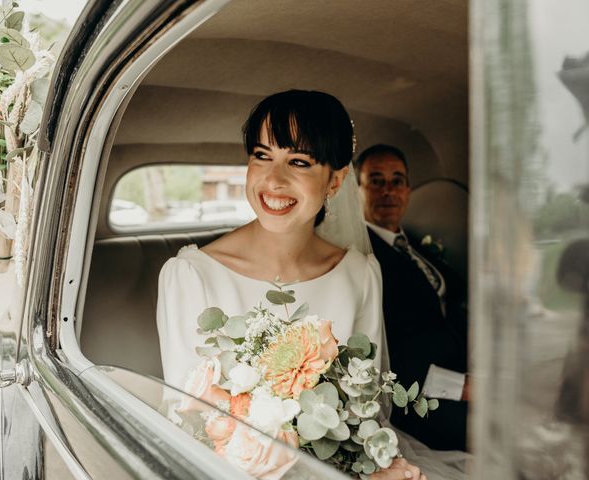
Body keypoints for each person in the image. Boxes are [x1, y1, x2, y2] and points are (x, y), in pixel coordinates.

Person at [157, 90, 431, 480]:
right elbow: (184, 425)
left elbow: (370, 409)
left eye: (299, 162)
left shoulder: (361, 274)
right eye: (262, 155)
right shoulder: (191, 277)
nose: (274, 179)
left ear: (335, 181)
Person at [355, 144, 469, 452]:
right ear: (358, 189)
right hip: (421, 398)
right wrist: (464, 388)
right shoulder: (364, 259)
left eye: (398, 180)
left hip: (466, 365)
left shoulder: (412, 244)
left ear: (408, 189)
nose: (388, 190)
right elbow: (389, 354)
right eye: (376, 180)